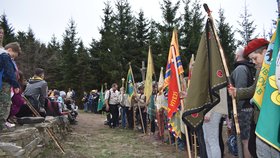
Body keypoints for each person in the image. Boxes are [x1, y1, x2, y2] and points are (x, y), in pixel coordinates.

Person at [228, 38, 279, 158]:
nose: (253, 62)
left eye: (255, 58)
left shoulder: (275, 69)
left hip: (271, 119)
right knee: (253, 147)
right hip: (259, 118)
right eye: (251, 59)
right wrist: (237, 92)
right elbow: (254, 90)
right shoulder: (259, 69)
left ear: (266, 52)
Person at [230, 47, 255, 158]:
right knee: (244, 141)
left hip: (243, 110)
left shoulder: (240, 69)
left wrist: (237, 110)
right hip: (245, 109)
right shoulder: (245, 68)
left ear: (237, 56)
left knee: (245, 141)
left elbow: (239, 91)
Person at [0, 42, 21, 129]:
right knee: (5, 103)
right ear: (10, 50)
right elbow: (9, 72)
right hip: (4, 84)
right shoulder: (5, 56)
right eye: (13, 56)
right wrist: (16, 85)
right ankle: (1, 125)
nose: (12, 58)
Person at [203, 88, 228, 158]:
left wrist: (209, 111)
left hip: (213, 109)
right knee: (208, 140)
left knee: (212, 141)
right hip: (210, 108)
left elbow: (214, 89)